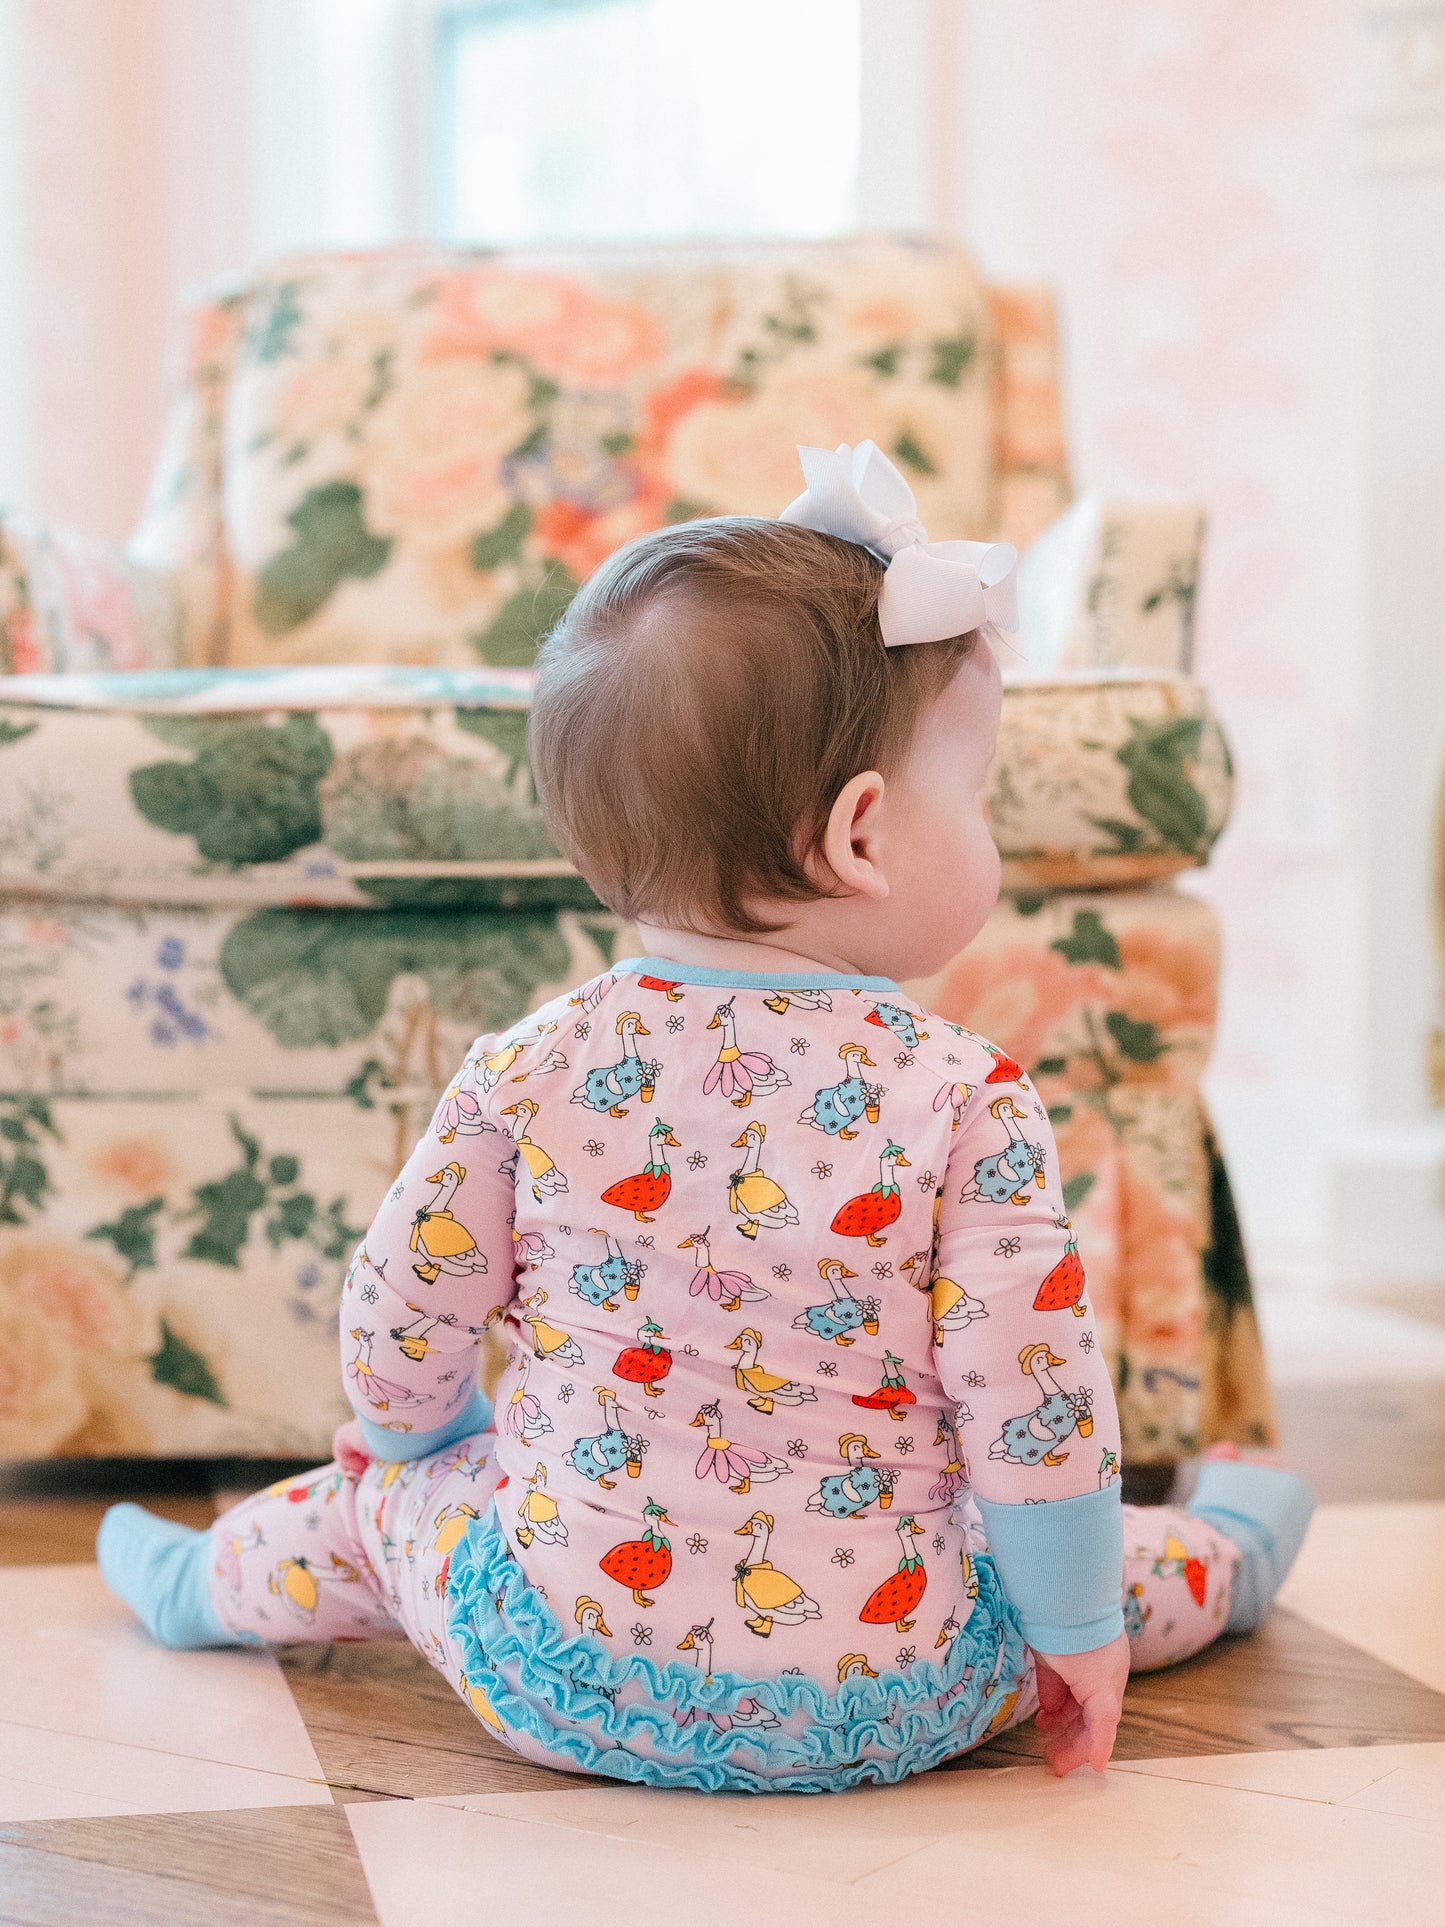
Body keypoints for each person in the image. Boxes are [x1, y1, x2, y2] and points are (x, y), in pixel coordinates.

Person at [97, 441, 1312, 1792]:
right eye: (973, 797)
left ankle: (201, 1586)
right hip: (898, 1686)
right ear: (858, 837)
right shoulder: (966, 1100)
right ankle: (1236, 1554)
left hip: (545, 1665)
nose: (989, 834)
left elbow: (403, 1298)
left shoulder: (526, 1068)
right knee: (1095, 1558)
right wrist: (1076, 1633)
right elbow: (1031, 1410)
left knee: (378, 1509)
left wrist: (412, 1447)